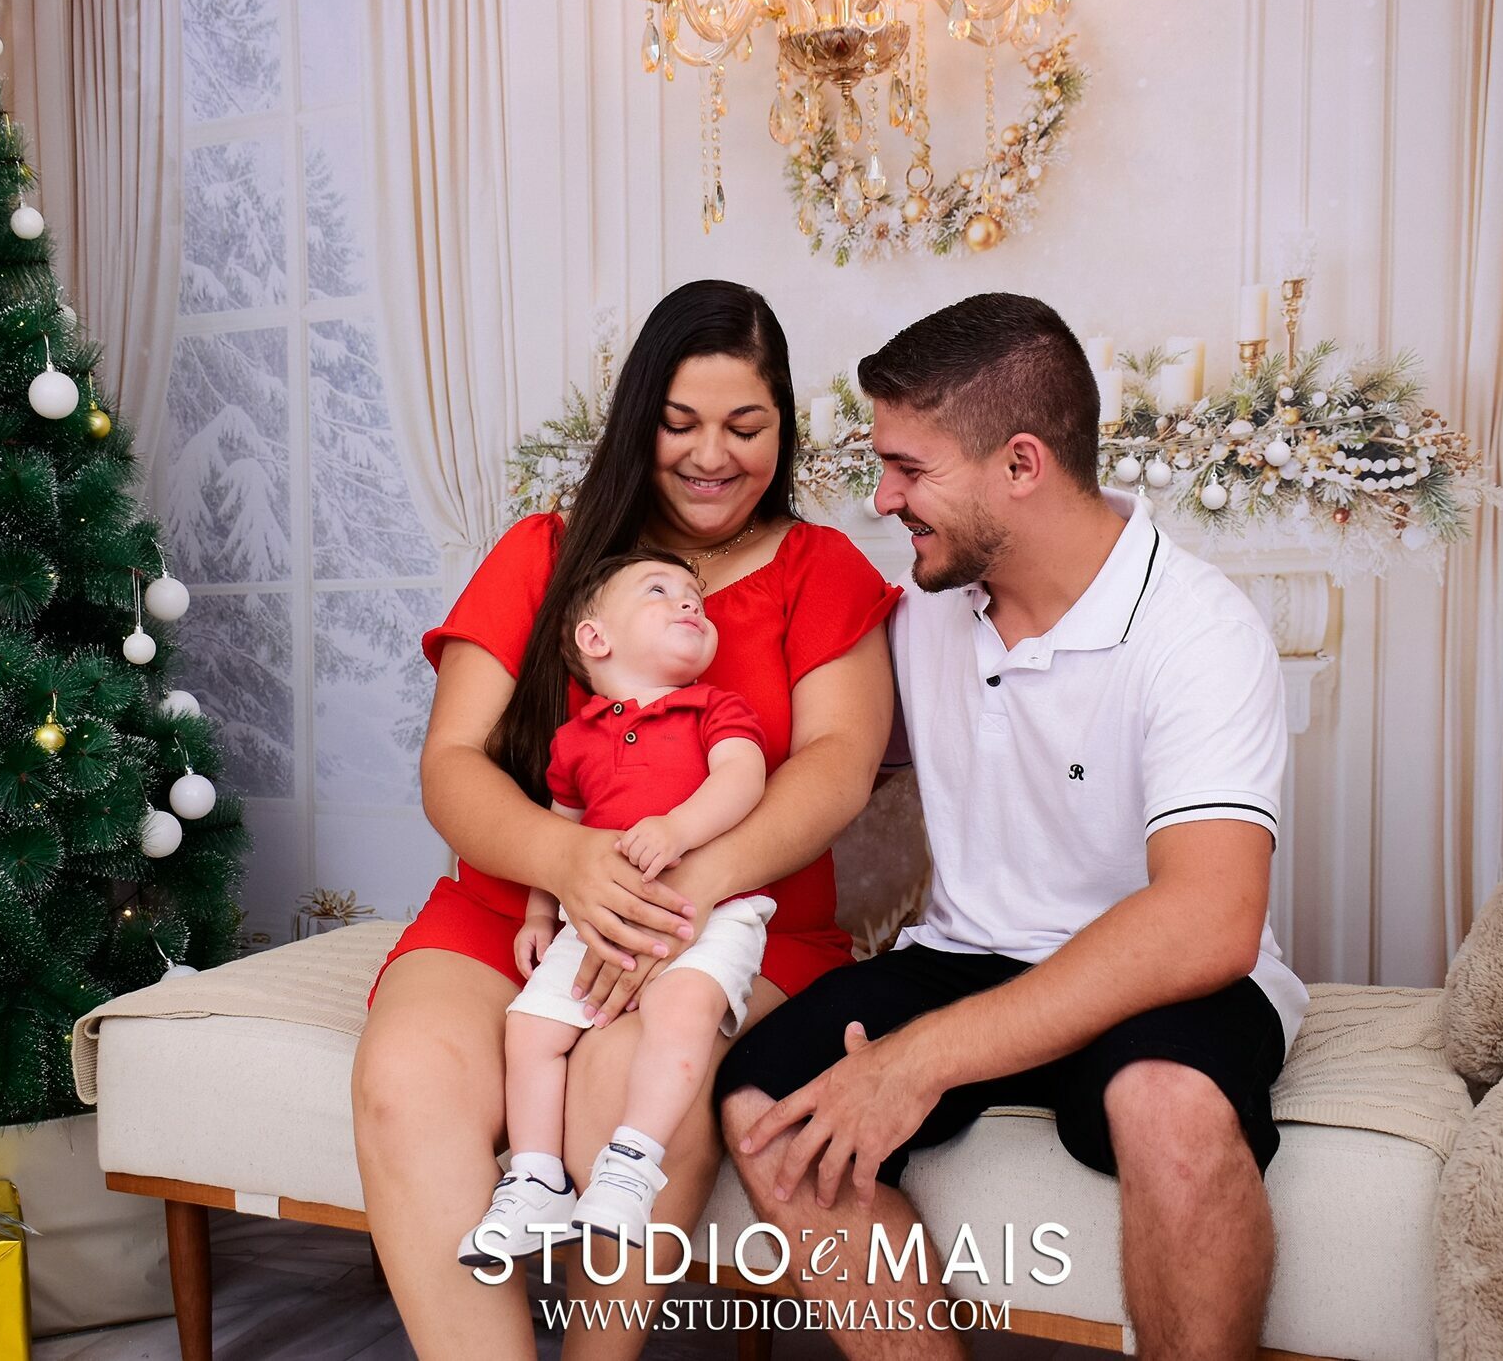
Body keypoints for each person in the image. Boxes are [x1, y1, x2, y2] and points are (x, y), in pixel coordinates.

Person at [717, 292, 1309, 1361]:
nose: (883, 498)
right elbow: (810, 760)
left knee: (1171, 1105)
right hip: (965, 954)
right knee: (769, 1106)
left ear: (1022, 464)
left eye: (909, 468)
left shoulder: (1198, 630)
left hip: (1160, 971)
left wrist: (919, 1061)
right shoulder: (922, 612)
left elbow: (1210, 918)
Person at [352, 279, 900, 1361]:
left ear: (784, 427)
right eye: (680, 423)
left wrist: (687, 887)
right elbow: (452, 765)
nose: (712, 455)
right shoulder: (542, 554)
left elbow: (839, 768)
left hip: (737, 922)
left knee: (622, 1084)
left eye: (746, 426)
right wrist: (566, 859)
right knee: (404, 1083)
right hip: (516, 909)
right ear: (638, 417)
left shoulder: (821, 570)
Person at [458, 548, 774, 1263]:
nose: (691, 602)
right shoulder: (575, 741)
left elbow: (743, 777)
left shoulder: (714, 707)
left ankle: (632, 1164)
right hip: (596, 918)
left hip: (712, 911)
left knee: (683, 1010)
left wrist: (678, 830)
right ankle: (537, 1178)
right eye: (661, 590)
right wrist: (540, 915)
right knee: (529, 1028)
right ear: (595, 639)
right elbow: (560, 834)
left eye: (697, 597)